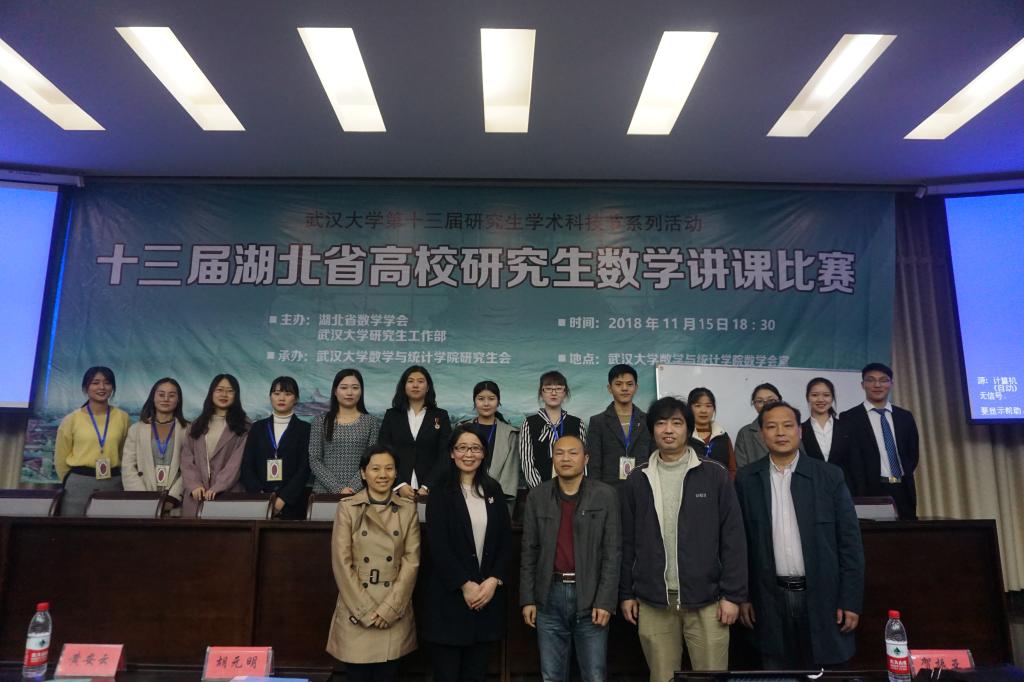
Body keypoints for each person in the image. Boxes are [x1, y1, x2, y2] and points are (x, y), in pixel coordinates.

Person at [619, 397, 747, 680]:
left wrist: (733, 596)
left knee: (711, 677)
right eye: (661, 423)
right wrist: (627, 593)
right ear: (652, 430)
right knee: (662, 677)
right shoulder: (637, 479)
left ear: (688, 429)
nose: (668, 430)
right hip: (654, 601)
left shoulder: (715, 474)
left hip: (709, 600)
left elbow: (733, 538)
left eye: (677, 423)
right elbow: (627, 541)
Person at [735, 401, 864, 669]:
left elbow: (850, 544)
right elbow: (740, 545)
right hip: (769, 598)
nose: (780, 432)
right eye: (771, 426)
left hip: (823, 597)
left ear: (800, 431)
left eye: (787, 425)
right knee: (776, 670)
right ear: (762, 433)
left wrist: (850, 600)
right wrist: (743, 596)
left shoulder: (829, 476)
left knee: (823, 670)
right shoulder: (747, 479)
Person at [521, 435, 620, 682]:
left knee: (594, 675)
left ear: (585, 459)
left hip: (591, 596)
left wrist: (605, 601)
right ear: (552, 459)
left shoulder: (605, 496)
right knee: (551, 675)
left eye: (573, 453)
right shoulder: (537, 496)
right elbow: (529, 551)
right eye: (559, 453)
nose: (566, 458)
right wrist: (528, 599)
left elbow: (612, 552)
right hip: (548, 596)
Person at [423, 426, 513, 681]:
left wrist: (494, 581)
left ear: (484, 453)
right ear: (452, 453)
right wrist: (465, 584)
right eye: (462, 448)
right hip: (450, 600)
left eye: (475, 448)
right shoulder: (440, 491)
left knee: (476, 674)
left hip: (486, 599)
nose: (469, 454)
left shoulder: (493, 490)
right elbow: (438, 545)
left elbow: (505, 542)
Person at [326, 445, 420, 682]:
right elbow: (341, 563)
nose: (383, 474)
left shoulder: (408, 509)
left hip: (393, 611)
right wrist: (366, 611)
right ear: (363, 473)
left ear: (396, 473)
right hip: (356, 610)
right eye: (375, 468)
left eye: (389, 468)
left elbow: (412, 562)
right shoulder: (347, 508)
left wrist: (389, 609)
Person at [836, 362, 920, 520]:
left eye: (883, 380)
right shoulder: (850, 418)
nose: (877, 385)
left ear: (891, 384)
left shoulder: (905, 416)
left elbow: (912, 453)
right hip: (870, 489)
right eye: (871, 380)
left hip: (903, 487)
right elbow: (849, 459)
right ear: (863, 385)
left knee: (907, 531)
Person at [55, 366, 131, 516]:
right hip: (78, 484)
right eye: (95, 383)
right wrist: (71, 480)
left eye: (107, 383)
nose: (102, 387)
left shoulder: (123, 417)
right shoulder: (72, 419)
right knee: (74, 527)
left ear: (112, 387)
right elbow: (60, 459)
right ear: (86, 387)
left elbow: (126, 453)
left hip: (113, 483)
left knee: (110, 527)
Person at [179, 374, 250, 518]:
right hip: (196, 496)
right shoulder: (196, 425)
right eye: (219, 390)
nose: (224, 394)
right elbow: (187, 459)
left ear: (236, 395)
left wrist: (219, 486)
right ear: (211, 393)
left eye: (230, 391)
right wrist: (194, 485)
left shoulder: (244, 426)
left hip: (228, 494)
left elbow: (236, 463)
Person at [241, 376, 312, 520]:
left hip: (292, 504)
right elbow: (247, 465)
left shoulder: (305, 429)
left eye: (288, 394)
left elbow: (304, 468)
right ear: (270, 397)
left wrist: (283, 500)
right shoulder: (257, 428)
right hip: (259, 503)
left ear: (296, 399)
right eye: (277, 393)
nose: (281, 398)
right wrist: (261, 497)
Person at [379, 365, 452, 499]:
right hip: (396, 490)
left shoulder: (441, 416)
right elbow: (384, 451)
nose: (415, 385)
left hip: (431, 490)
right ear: (404, 386)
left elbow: (445, 455)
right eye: (411, 381)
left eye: (420, 381)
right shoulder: (392, 415)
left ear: (428, 387)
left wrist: (427, 486)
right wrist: (399, 484)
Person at [309, 369, 381, 494]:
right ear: (335, 391)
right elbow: (314, 460)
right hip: (324, 493)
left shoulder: (371, 422)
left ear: (361, 391)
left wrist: (352, 488)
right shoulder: (320, 421)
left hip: (360, 492)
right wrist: (338, 488)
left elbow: (372, 460)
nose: (349, 392)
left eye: (355, 388)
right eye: (344, 387)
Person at [122, 377, 188, 514]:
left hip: (175, 503)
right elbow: (128, 466)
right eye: (161, 394)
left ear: (178, 399)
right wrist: (143, 498)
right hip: (142, 502)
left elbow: (191, 468)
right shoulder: (136, 429)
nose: (166, 399)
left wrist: (173, 498)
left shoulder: (188, 430)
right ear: (153, 397)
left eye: (171, 395)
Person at [586, 364, 652, 486]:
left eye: (629, 384)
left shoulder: (648, 421)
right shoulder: (598, 422)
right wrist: (596, 491)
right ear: (609, 388)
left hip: (643, 486)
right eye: (618, 384)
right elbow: (594, 465)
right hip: (609, 489)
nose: (624, 388)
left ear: (636, 387)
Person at [458, 380, 520, 508]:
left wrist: (494, 495)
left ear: (498, 401)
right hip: (463, 492)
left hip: (498, 497)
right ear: (474, 401)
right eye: (481, 399)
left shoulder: (510, 433)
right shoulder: (462, 429)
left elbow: (510, 472)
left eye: (491, 399)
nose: (486, 403)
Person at [521, 371, 587, 489]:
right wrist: (541, 491)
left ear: (565, 393)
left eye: (558, 388)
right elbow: (527, 462)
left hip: (573, 490)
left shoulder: (577, 423)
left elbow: (582, 462)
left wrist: (579, 489)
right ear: (541, 393)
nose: (553, 393)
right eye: (548, 388)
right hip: (539, 490)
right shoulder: (529, 423)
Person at [686, 387, 736, 478]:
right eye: (698, 406)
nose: (703, 410)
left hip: (722, 486)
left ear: (713, 409)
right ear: (689, 408)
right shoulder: (683, 436)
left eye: (708, 406)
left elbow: (732, 469)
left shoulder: (722, 435)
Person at [733, 383, 782, 468]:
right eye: (760, 401)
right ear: (754, 404)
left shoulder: (791, 427)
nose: (766, 404)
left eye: (771, 400)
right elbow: (741, 469)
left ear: (780, 401)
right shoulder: (745, 433)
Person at [802, 377, 840, 464]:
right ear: (807, 398)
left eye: (826, 395)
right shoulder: (800, 429)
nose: (820, 399)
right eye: (815, 395)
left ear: (832, 398)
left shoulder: (847, 427)